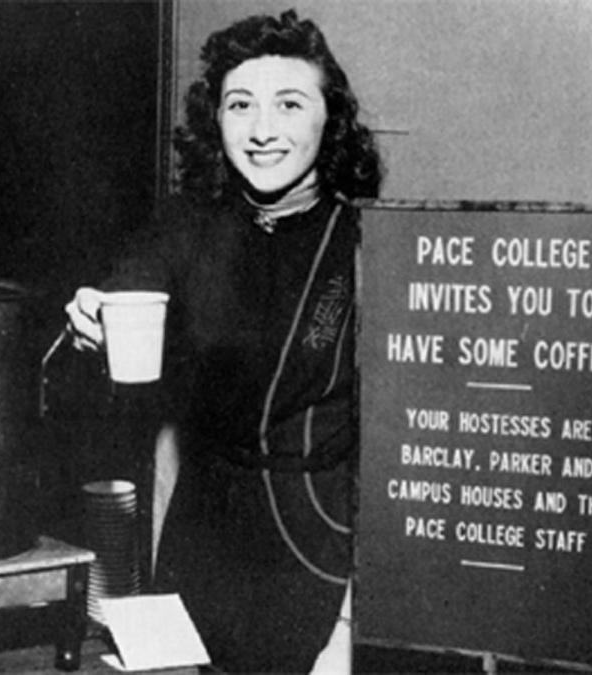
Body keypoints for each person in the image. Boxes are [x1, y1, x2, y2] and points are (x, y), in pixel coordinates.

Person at [64, 9, 383, 672]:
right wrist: (92, 316)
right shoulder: (186, 228)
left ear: (331, 120)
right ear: (218, 121)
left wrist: (353, 627)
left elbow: (394, 469)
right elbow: (128, 289)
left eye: (289, 104)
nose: (263, 130)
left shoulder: (367, 247)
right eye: (240, 105)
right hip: (198, 552)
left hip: (318, 560)